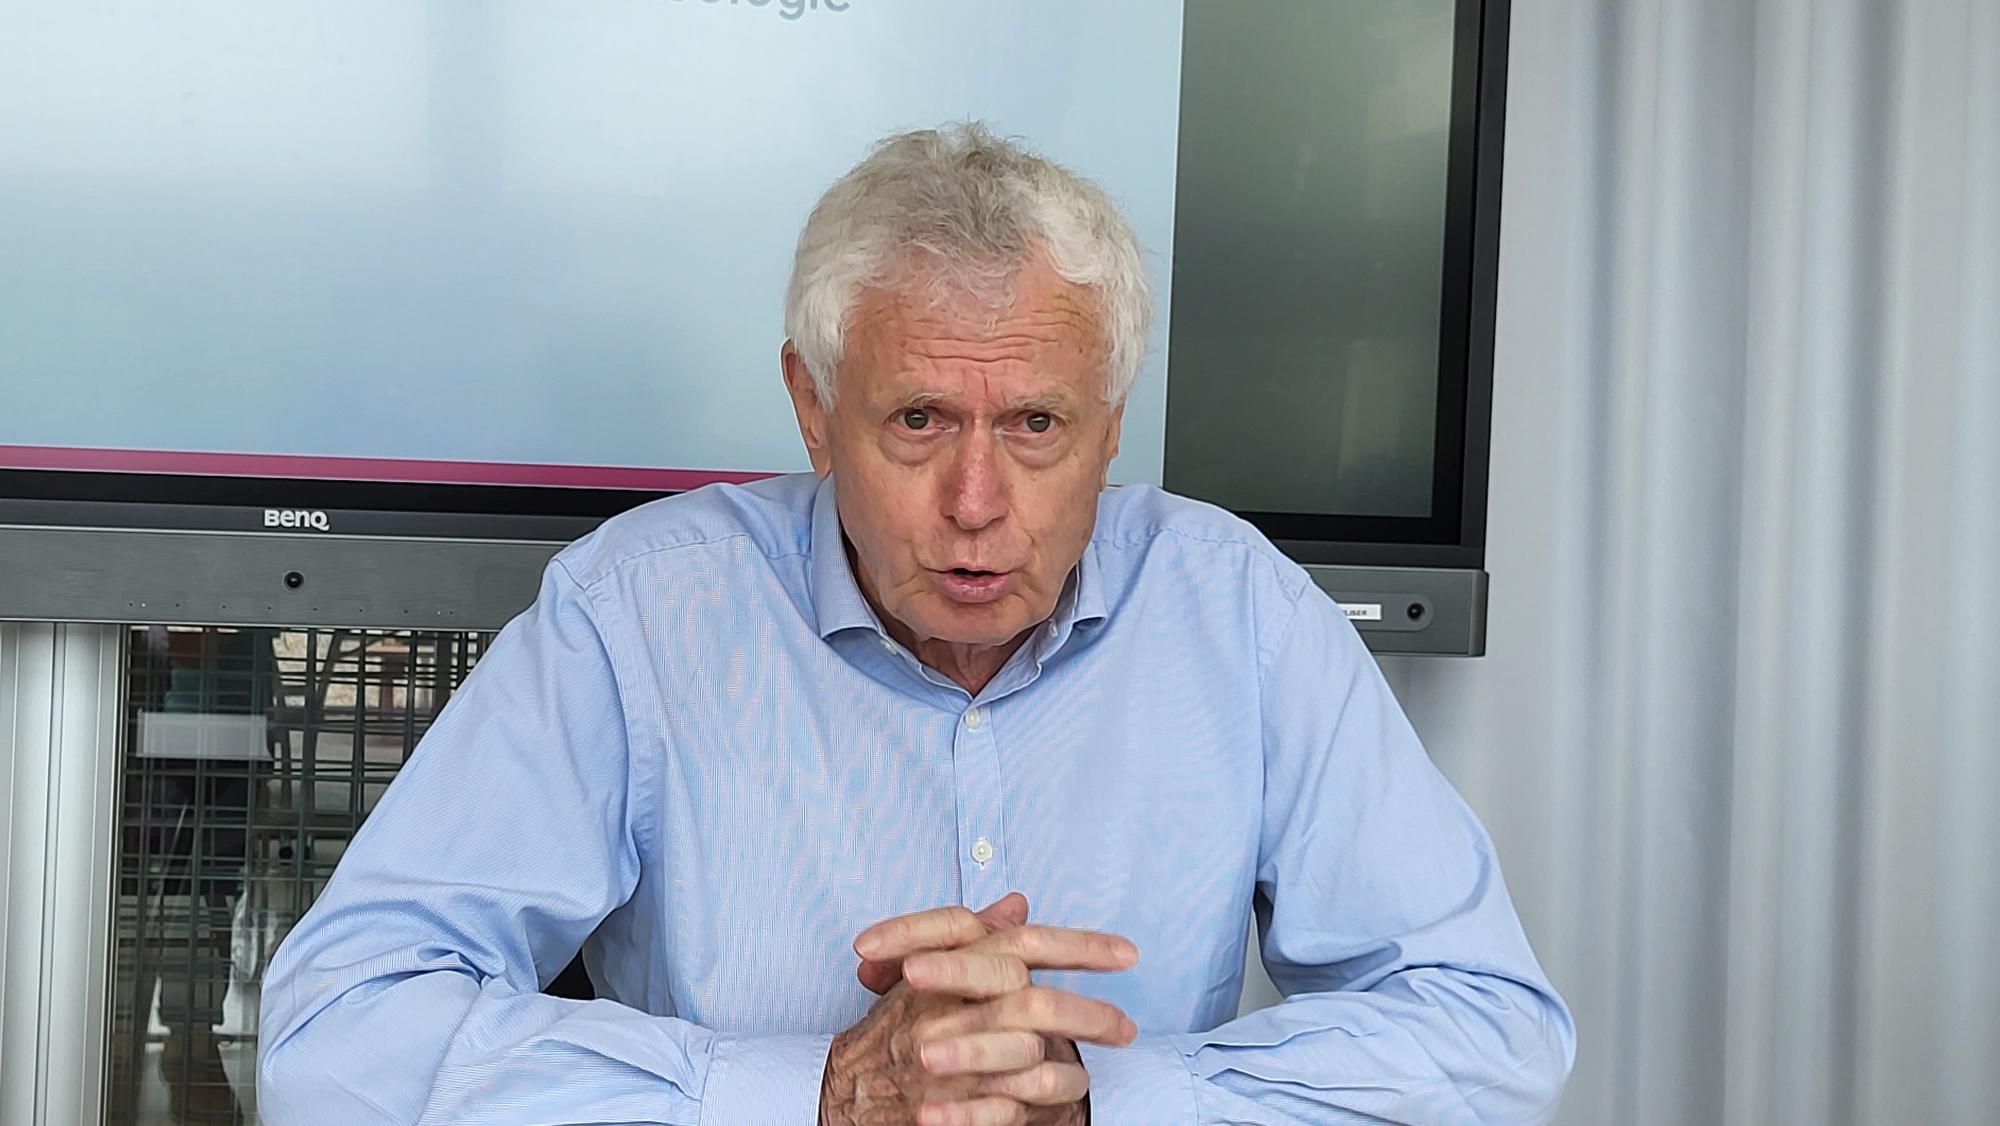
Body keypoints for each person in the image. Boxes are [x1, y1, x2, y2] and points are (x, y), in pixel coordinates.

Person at [258, 123, 1573, 1125]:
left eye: (1038, 426)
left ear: (1113, 425)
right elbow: (332, 1034)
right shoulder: (637, 612)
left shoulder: (1242, 611)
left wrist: (1113, 1093)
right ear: (812, 405)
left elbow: (1494, 1029)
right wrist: (813, 1091)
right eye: (920, 421)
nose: (977, 506)